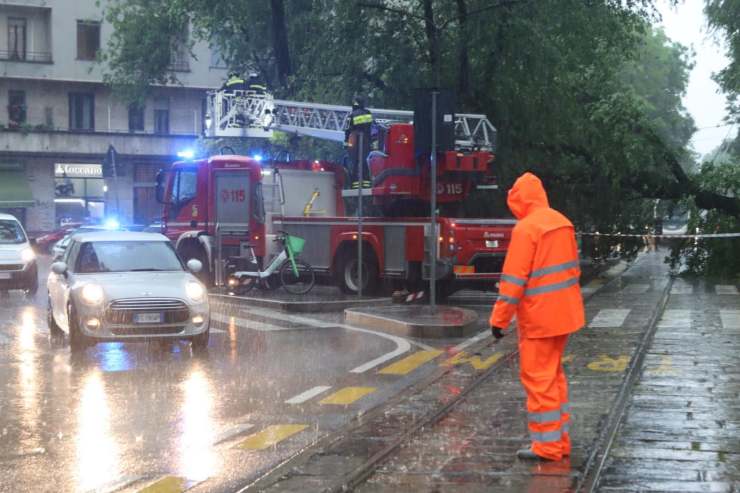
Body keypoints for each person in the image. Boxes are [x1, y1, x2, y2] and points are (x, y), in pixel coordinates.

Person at [490, 172, 585, 462]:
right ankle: (560, 440)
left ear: (518, 200)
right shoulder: (562, 222)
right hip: (565, 314)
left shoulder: (526, 229)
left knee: (539, 379)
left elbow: (514, 282)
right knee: (554, 378)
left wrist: (499, 319)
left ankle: (547, 446)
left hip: (540, 318)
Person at [344, 97, 374, 189]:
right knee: (364, 162)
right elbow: (371, 128)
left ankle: (354, 184)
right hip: (366, 142)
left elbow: (347, 131)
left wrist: (346, 145)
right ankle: (367, 183)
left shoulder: (351, 115)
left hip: (355, 143)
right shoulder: (368, 113)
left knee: (355, 163)